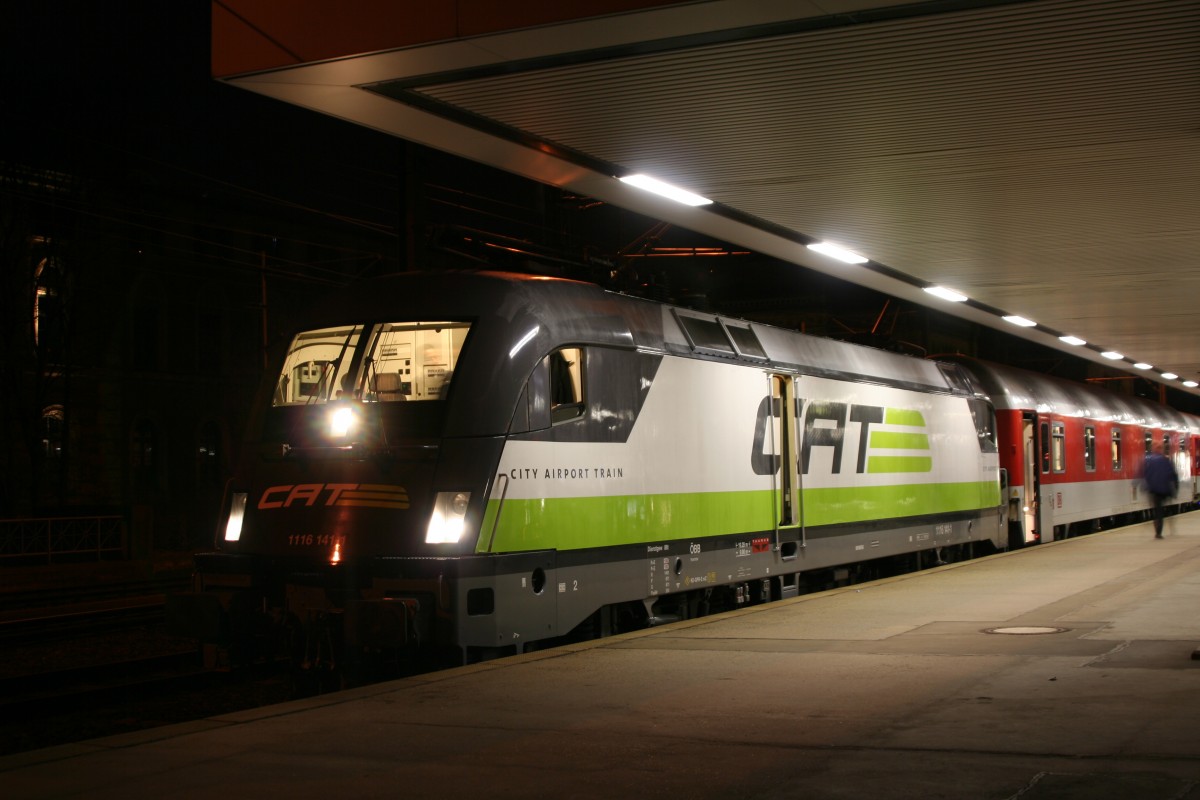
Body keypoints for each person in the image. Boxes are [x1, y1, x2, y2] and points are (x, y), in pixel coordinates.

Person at [1142, 443, 1178, 538]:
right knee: (1161, 510)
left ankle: (1158, 532)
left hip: (1154, 490)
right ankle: (1159, 530)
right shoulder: (1166, 461)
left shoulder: (1149, 461)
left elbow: (1145, 474)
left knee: (1157, 510)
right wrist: (1175, 488)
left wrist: (1145, 486)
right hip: (1164, 490)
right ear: (1161, 450)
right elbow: (1173, 475)